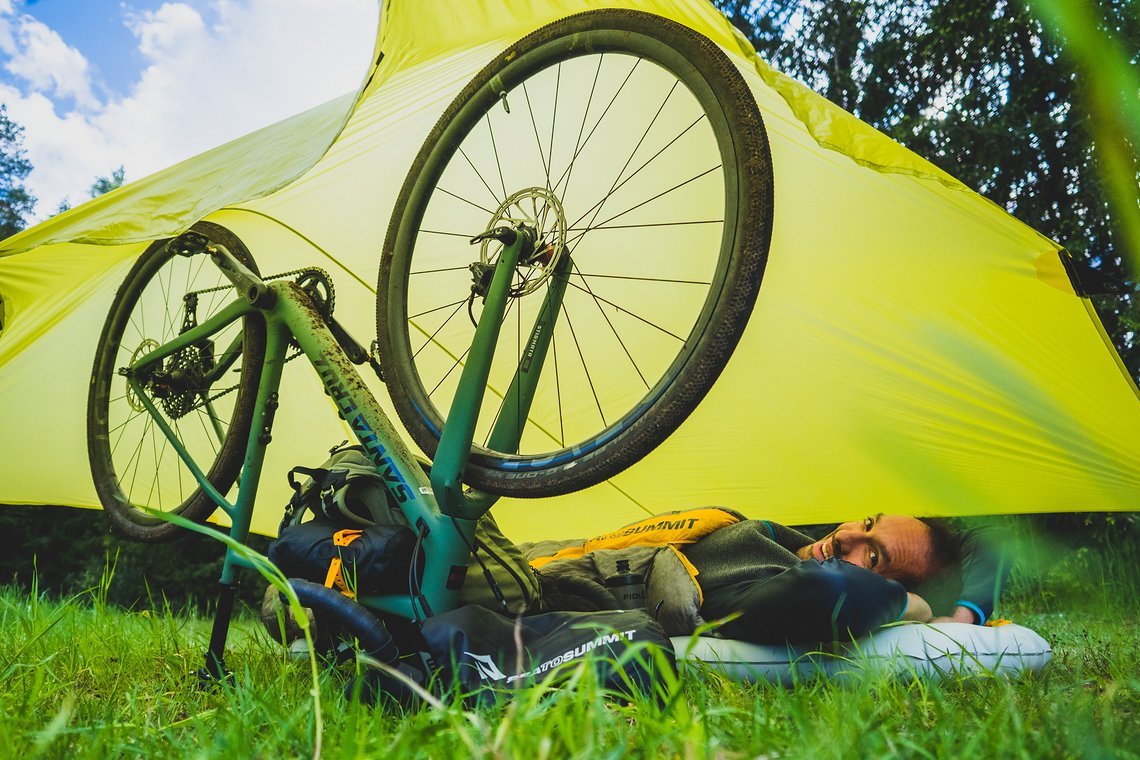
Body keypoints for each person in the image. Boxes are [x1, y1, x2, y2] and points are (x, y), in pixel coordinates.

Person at [523, 508, 1009, 645]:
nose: (845, 539)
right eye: (865, 525)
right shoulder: (770, 535)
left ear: (887, 589)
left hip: (522, 587)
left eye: (874, 557)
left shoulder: (777, 583)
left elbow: (830, 592)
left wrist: (944, 614)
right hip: (541, 552)